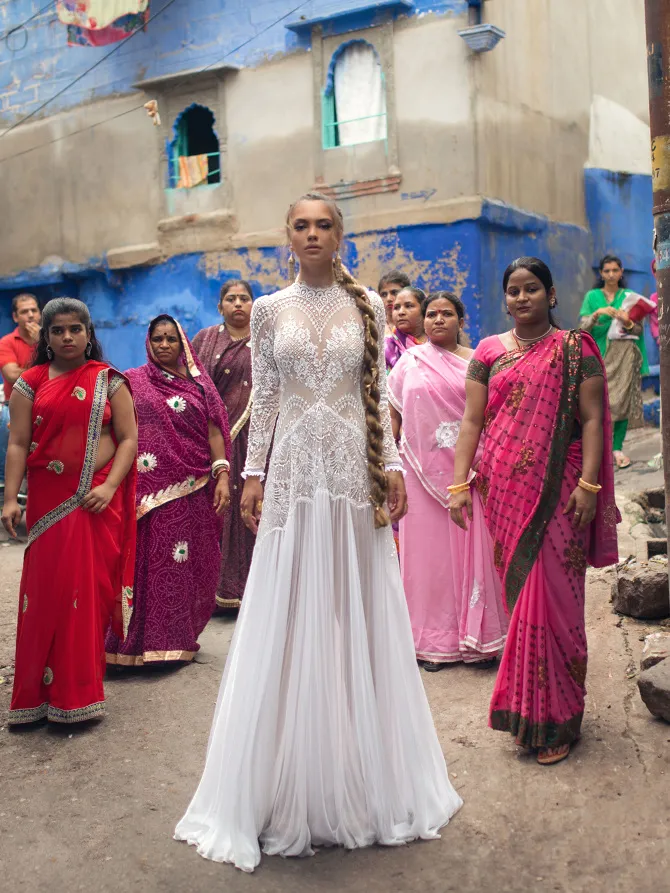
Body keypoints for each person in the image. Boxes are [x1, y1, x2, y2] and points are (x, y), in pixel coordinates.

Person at [174, 192, 461, 872]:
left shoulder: (367, 303)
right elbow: (267, 399)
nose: (311, 233)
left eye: (322, 224)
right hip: (297, 476)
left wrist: (390, 466)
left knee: (354, 610)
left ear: (340, 233)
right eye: (300, 224)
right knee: (290, 610)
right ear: (286, 235)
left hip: (354, 477)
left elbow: (377, 396)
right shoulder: (270, 310)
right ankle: (285, 780)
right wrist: (252, 475)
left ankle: (365, 777)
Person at [450, 257, 618, 765]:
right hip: (502, 487)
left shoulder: (575, 348)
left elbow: (591, 420)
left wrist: (589, 484)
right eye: (513, 291)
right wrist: (459, 483)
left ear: (551, 294)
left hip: (562, 490)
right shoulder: (486, 352)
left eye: (531, 289)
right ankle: (527, 713)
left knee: (556, 604)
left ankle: (559, 718)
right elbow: (471, 422)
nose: (522, 298)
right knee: (521, 601)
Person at [1, 298, 137, 725]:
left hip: (93, 500)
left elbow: (129, 439)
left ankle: (76, 697)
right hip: (46, 502)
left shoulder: (108, 381)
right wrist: (9, 498)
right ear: (46, 336)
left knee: (84, 594)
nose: (67, 337)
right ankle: (33, 698)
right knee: (43, 595)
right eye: (57, 331)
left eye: (75, 329)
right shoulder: (30, 383)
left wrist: (111, 485)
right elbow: (19, 443)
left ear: (88, 333)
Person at [388, 292, 507, 671]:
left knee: (474, 555)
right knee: (427, 563)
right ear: (423, 320)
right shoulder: (409, 362)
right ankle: (430, 643)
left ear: (461, 320)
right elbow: (393, 416)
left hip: (469, 475)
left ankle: (477, 638)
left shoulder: (478, 361)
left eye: (448, 314)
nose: (438, 320)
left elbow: (490, 417)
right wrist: (386, 464)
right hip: (418, 477)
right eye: (432, 314)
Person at [105, 315, 232, 666]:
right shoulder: (131, 382)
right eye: (157, 339)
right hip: (143, 491)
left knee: (180, 566)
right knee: (140, 565)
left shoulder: (200, 386)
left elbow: (214, 432)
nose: (163, 345)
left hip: (191, 490)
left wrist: (222, 474)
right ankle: (127, 646)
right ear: (148, 342)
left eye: (170, 339)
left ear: (183, 344)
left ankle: (173, 641)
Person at [192, 281, 255, 610]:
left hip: (252, 440)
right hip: (210, 439)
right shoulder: (205, 340)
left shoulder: (263, 341)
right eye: (231, 299)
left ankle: (245, 588)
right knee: (214, 511)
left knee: (246, 510)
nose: (238, 304)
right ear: (220, 306)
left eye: (245, 298)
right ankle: (210, 590)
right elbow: (190, 385)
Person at [579, 254, 648, 469]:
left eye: (615, 270)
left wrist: (627, 322)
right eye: (606, 270)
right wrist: (597, 314)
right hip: (598, 355)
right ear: (601, 274)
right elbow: (582, 328)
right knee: (600, 404)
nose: (611, 274)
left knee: (622, 403)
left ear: (621, 272)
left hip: (625, 356)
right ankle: (601, 450)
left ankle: (617, 449)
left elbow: (638, 329)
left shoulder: (629, 296)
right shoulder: (592, 297)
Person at [0, 294, 41, 402]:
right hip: (15, 404)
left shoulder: (51, 338)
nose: (31, 315)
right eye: (24, 312)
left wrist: (42, 342)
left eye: (34, 310)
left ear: (40, 314)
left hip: (46, 402)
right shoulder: (6, 342)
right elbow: (12, 375)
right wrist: (47, 371)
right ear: (15, 317)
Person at [385, 286, 426, 371]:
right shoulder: (386, 347)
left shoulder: (437, 343)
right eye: (396, 307)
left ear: (423, 310)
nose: (401, 312)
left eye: (408, 306)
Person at [377, 269, 411, 337]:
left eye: (394, 293)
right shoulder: (375, 327)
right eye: (384, 295)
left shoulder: (417, 326)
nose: (389, 299)